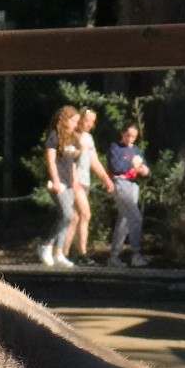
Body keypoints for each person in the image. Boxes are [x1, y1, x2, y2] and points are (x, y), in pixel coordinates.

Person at [38, 104, 83, 267]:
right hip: (59, 183)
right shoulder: (54, 136)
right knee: (68, 214)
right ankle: (46, 245)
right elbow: (51, 160)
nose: (75, 125)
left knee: (67, 217)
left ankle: (59, 253)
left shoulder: (72, 138)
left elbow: (72, 163)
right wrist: (56, 181)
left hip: (70, 183)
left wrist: (75, 181)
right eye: (73, 121)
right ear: (65, 120)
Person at [71, 108, 115, 260]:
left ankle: (69, 252)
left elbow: (94, 161)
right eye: (87, 120)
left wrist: (106, 179)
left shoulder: (88, 138)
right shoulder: (71, 135)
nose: (90, 124)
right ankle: (82, 254)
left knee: (76, 217)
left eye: (93, 122)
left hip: (85, 180)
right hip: (73, 181)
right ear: (80, 119)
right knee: (85, 213)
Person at [106, 122, 149, 267]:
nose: (131, 139)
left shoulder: (136, 150)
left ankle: (114, 256)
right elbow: (115, 167)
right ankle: (136, 253)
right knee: (135, 217)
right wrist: (132, 165)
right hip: (121, 183)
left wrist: (145, 170)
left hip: (133, 184)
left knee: (125, 219)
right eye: (128, 135)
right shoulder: (115, 148)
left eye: (134, 137)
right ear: (122, 133)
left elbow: (144, 166)